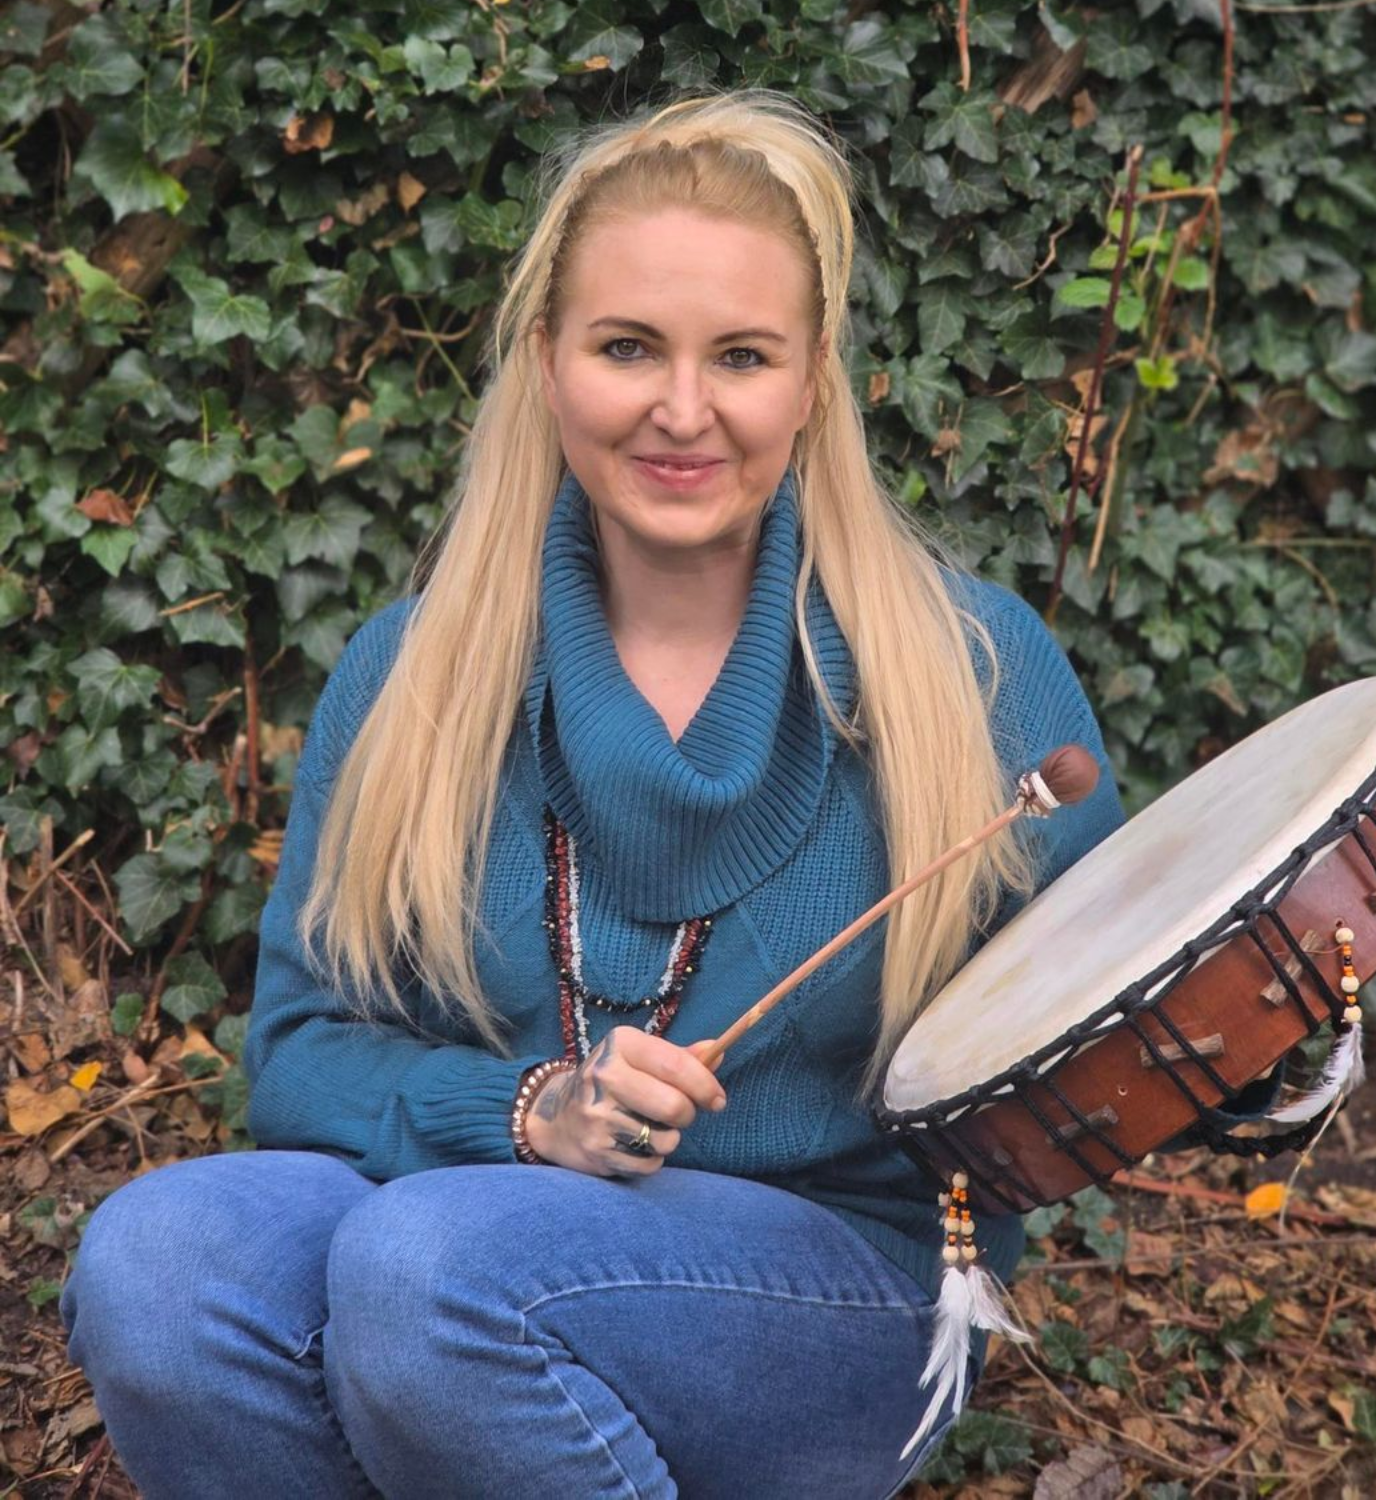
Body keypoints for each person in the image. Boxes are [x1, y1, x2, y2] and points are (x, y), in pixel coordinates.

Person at [60, 90, 1131, 1499]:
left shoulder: (966, 671)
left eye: (741, 356)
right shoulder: (412, 673)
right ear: (549, 364)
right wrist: (529, 1114)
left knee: (434, 1268)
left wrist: (1268, 1053)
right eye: (628, 347)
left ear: (813, 382)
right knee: (157, 1262)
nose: (682, 410)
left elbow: (1122, 1023)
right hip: (449, 1251)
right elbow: (304, 1053)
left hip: (832, 1293)